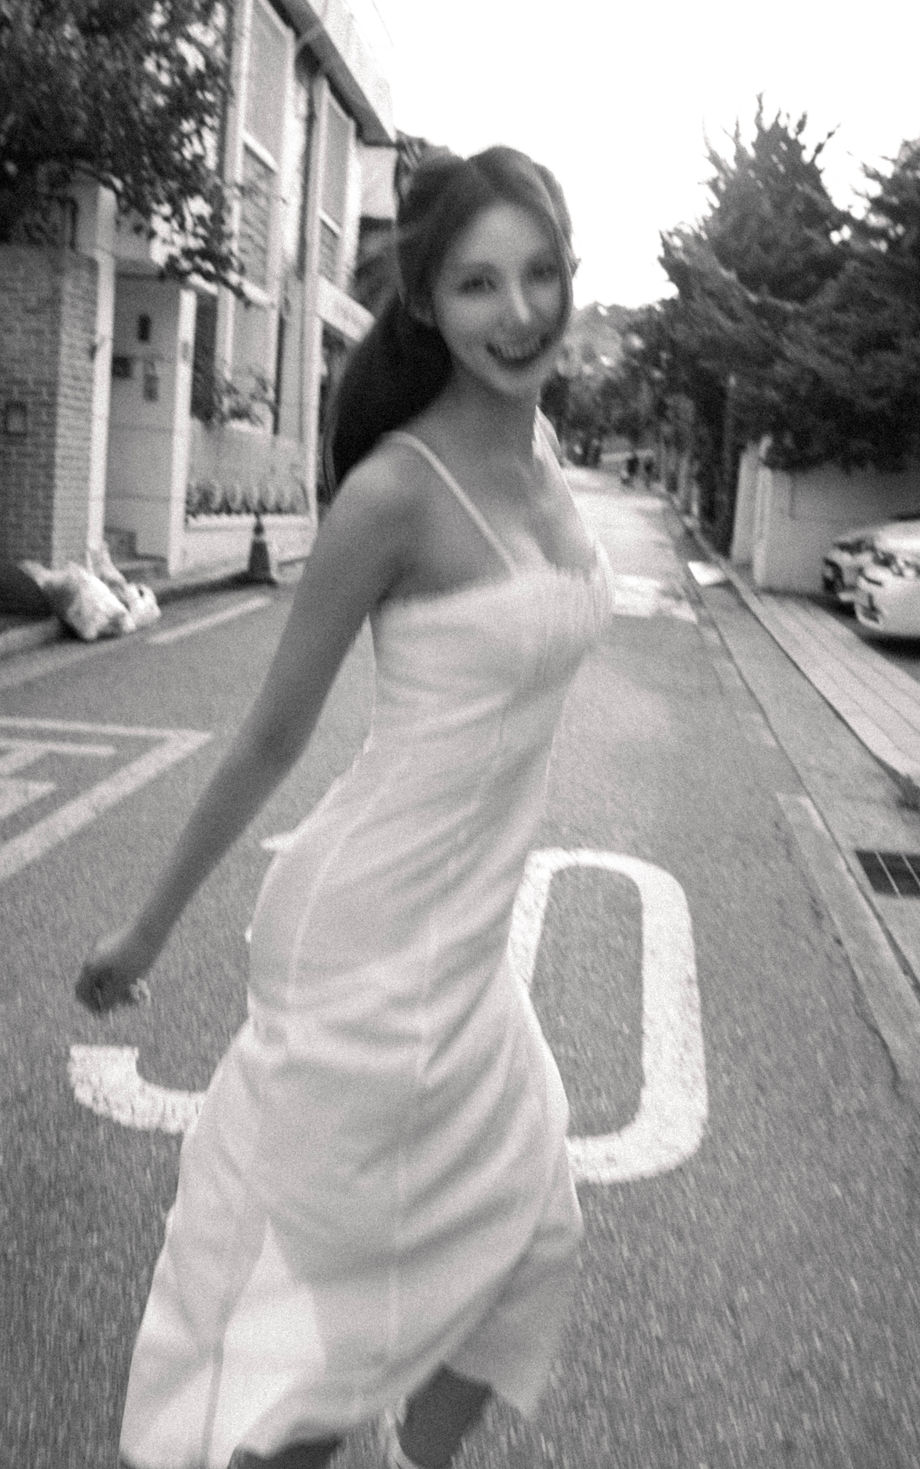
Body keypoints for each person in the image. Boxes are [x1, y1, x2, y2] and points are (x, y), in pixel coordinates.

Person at [78, 144, 614, 1469]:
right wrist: (145, 932)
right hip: (365, 939)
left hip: (465, 949)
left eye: (541, 274)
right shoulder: (394, 496)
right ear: (426, 302)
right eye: (478, 283)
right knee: (311, 1338)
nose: (520, 313)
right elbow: (272, 734)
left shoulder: (545, 457)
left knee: (532, 1241)